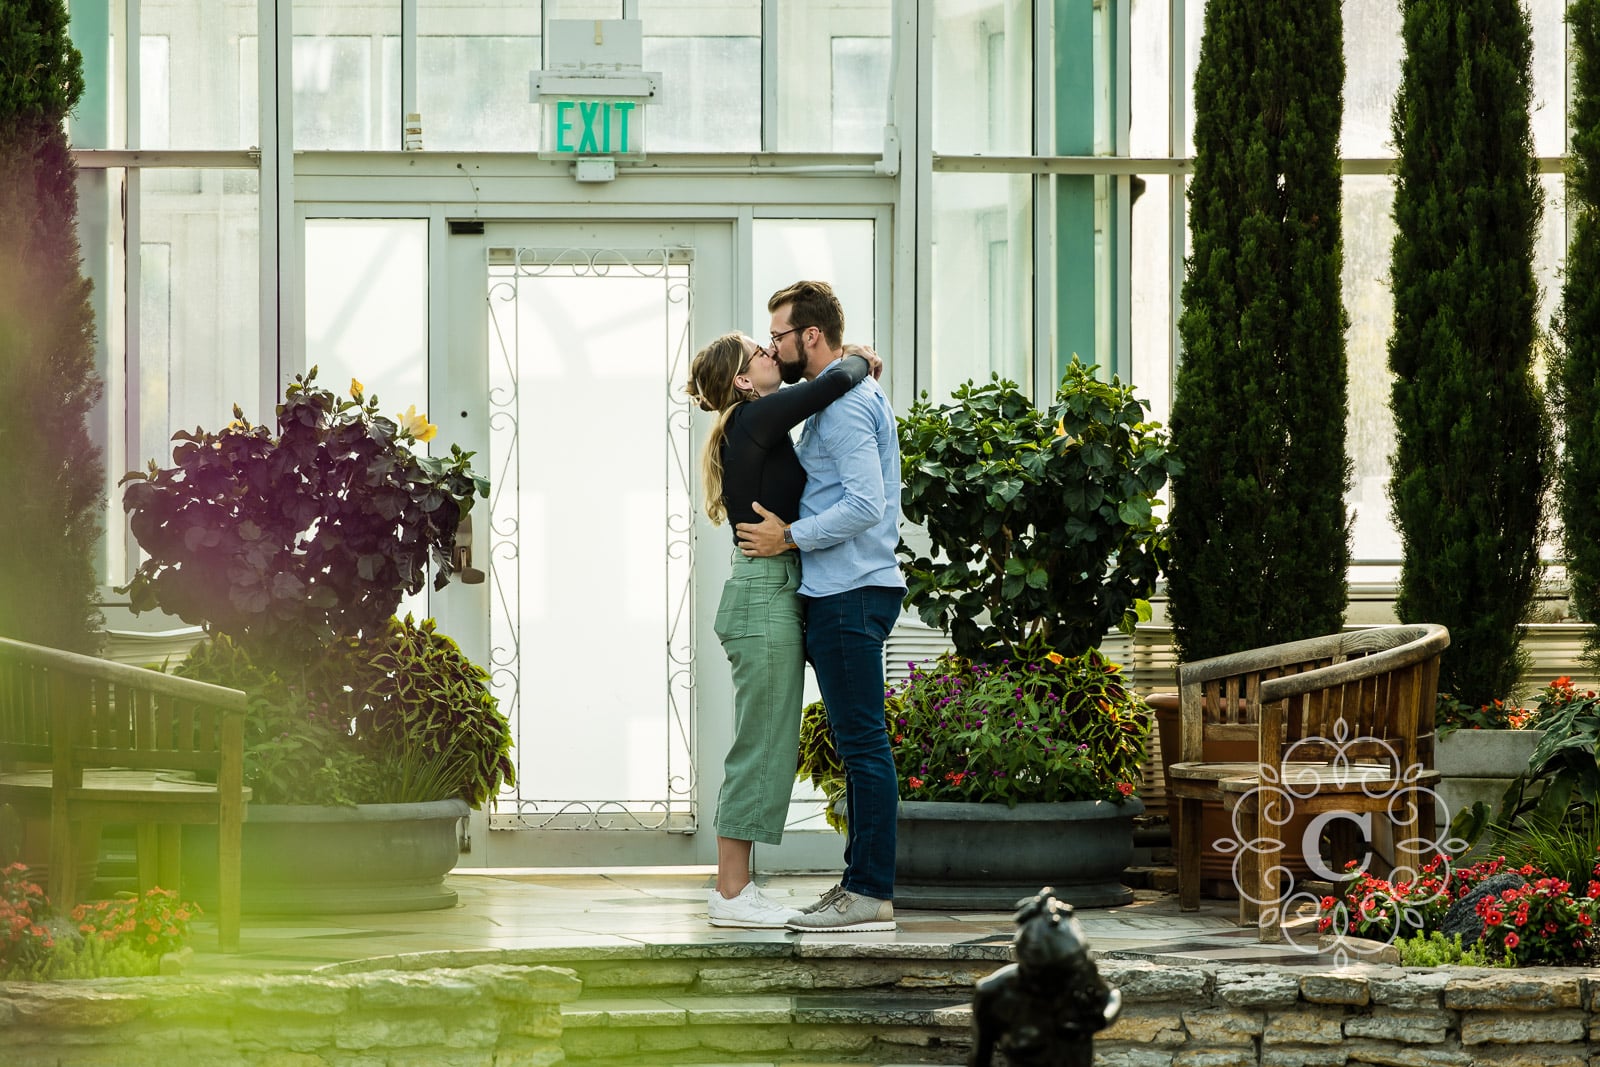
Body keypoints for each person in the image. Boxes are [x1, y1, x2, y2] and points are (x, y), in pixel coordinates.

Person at [685, 331, 873, 928]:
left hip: (772, 591)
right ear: (743, 379)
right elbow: (833, 383)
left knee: (767, 739)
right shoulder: (755, 416)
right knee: (761, 743)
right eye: (758, 352)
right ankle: (734, 893)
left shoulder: (751, 423)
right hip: (764, 596)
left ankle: (737, 888)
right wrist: (860, 359)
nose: (771, 356)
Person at [735, 280, 906, 933]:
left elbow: (865, 503)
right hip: (849, 588)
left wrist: (789, 535)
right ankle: (861, 885)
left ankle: (868, 891)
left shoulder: (842, 407)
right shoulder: (845, 392)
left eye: (778, 333)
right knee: (860, 743)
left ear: (809, 335)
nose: (772, 346)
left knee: (863, 745)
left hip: (848, 592)